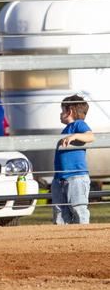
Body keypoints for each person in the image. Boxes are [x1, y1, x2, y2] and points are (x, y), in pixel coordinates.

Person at [51, 94, 95, 225]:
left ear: (69, 111)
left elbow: (90, 136)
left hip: (76, 177)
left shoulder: (78, 125)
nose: (60, 114)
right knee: (60, 215)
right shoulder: (65, 129)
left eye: (62, 110)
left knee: (79, 212)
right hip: (60, 179)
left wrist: (75, 136)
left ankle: (82, 239)